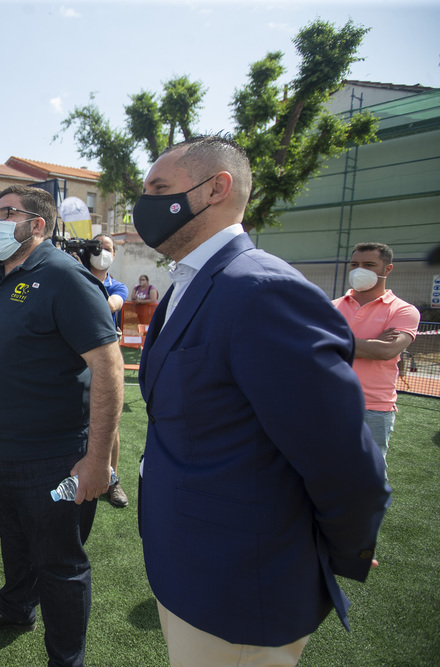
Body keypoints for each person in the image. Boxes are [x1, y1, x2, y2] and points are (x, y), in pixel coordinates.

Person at [135, 135, 390, 665]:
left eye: (159, 188)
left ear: (216, 190)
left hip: (240, 582)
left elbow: (340, 458)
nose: (145, 203)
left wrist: (336, 550)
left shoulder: (261, 290)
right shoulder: (192, 281)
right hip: (188, 565)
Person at [0, 185, 124, 667]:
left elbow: (108, 368)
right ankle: (16, 608)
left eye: (6, 212)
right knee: (14, 540)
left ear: (38, 225)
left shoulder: (65, 277)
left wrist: (97, 460)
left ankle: (65, 659)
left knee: (60, 564)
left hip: (53, 460)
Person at [333, 242, 420, 474]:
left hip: (374, 407)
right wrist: (371, 344)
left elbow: (386, 352)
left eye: (369, 264)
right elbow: (310, 347)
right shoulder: (330, 307)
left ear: (387, 269)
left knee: (369, 477)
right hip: (330, 401)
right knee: (325, 472)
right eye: (355, 264)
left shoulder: (403, 310)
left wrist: (335, 342)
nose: (359, 270)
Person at [79, 234, 129, 508]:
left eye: (109, 248)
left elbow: (112, 304)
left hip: (103, 363)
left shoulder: (117, 286)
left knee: (109, 421)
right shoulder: (74, 276)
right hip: (73, 362)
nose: (104, 251)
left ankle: (111, 479)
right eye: (99, 247)